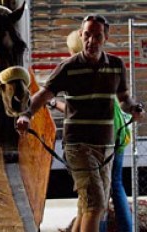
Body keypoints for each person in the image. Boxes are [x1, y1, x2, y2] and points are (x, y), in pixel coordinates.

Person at [17, 14, 144, 232]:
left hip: (106, 147)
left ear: (106, 37)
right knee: (94, 204)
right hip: (78, 146)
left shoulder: (116, 65)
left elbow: (124, 99)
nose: (91, 41)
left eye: (97, 36)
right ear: (80, 35)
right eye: (87, 35)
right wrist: (27, 113)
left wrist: (134, 108)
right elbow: (43, 95)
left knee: (93, 205)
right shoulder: (67, 67)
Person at [53, 29, 133, 232]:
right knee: (94, 197)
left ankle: (110, 228)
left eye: (72, 51)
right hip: (116, 135)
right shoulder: (101, 68)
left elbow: (78, 110)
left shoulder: (86, 72)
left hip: (105, 138)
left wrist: (53, 102)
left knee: (99, 196)